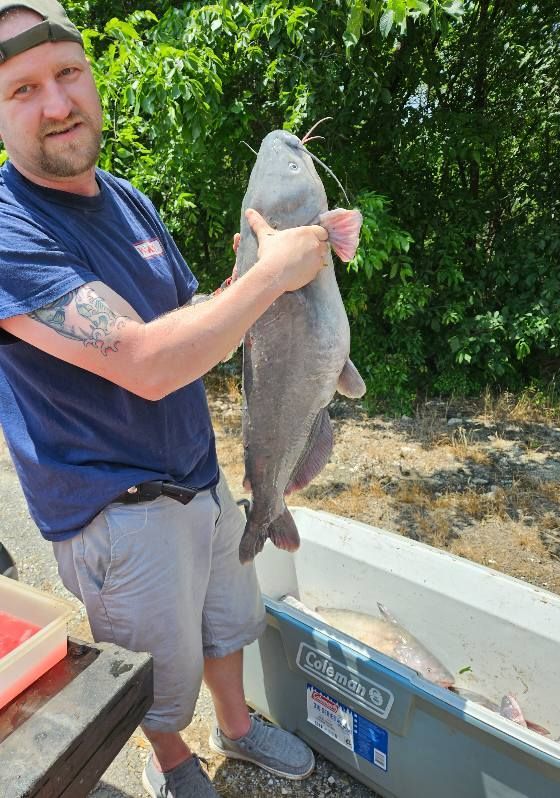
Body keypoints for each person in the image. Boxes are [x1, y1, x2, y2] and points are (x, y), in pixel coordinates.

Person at [0, 2, 330, 796]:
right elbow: (146, 363)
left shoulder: (124, 198)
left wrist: (265, 274)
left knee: (227, 624)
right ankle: (172, 760)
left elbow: (189, 320)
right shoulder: (9, 228)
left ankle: (237, 728)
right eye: (22, 90)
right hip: (117, 509)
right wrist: (266, 276)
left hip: (198, 472)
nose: (57, 102)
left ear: (91, 80)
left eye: (69, 74)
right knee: (158, 660)